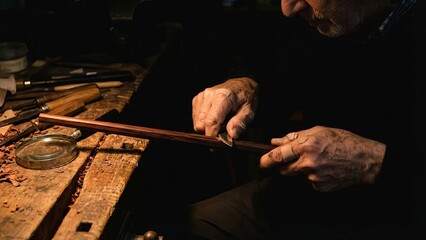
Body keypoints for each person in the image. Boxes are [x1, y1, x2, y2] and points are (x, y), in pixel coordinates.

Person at [184, 0, 425, 239]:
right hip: (301, 204)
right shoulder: (328, 17)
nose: (288, 8)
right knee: (183, 225)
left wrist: (373, 163)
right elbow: (287, 66)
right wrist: (247, 85)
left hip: (395, 218)